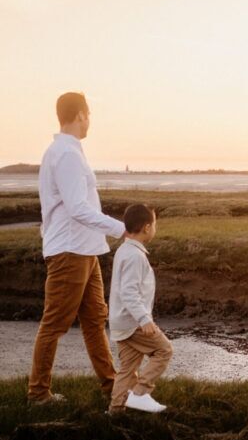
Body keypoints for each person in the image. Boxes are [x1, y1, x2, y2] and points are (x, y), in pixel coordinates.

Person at [28, 92, 126, 404]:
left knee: (95, 319)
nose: (90, 120)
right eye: (89, 114)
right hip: (71, 251)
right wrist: (121, 229)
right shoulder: (66, 154)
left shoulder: (65, 151)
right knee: (55, 322)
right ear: (81, 114)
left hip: (85, 250)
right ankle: (38, 394)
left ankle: (112, 386)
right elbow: (76, 208)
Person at [108, 204, 172, 414]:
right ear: (146, 227)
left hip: (120, 321)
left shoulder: (124, 250)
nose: (155, 229)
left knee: (127, 368)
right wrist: (144, 319)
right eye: (154, 225)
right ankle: (140, 394)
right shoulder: (135, 257)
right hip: (133, 322)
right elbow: (128, 293)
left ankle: (115, 412)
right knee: (164, 350)